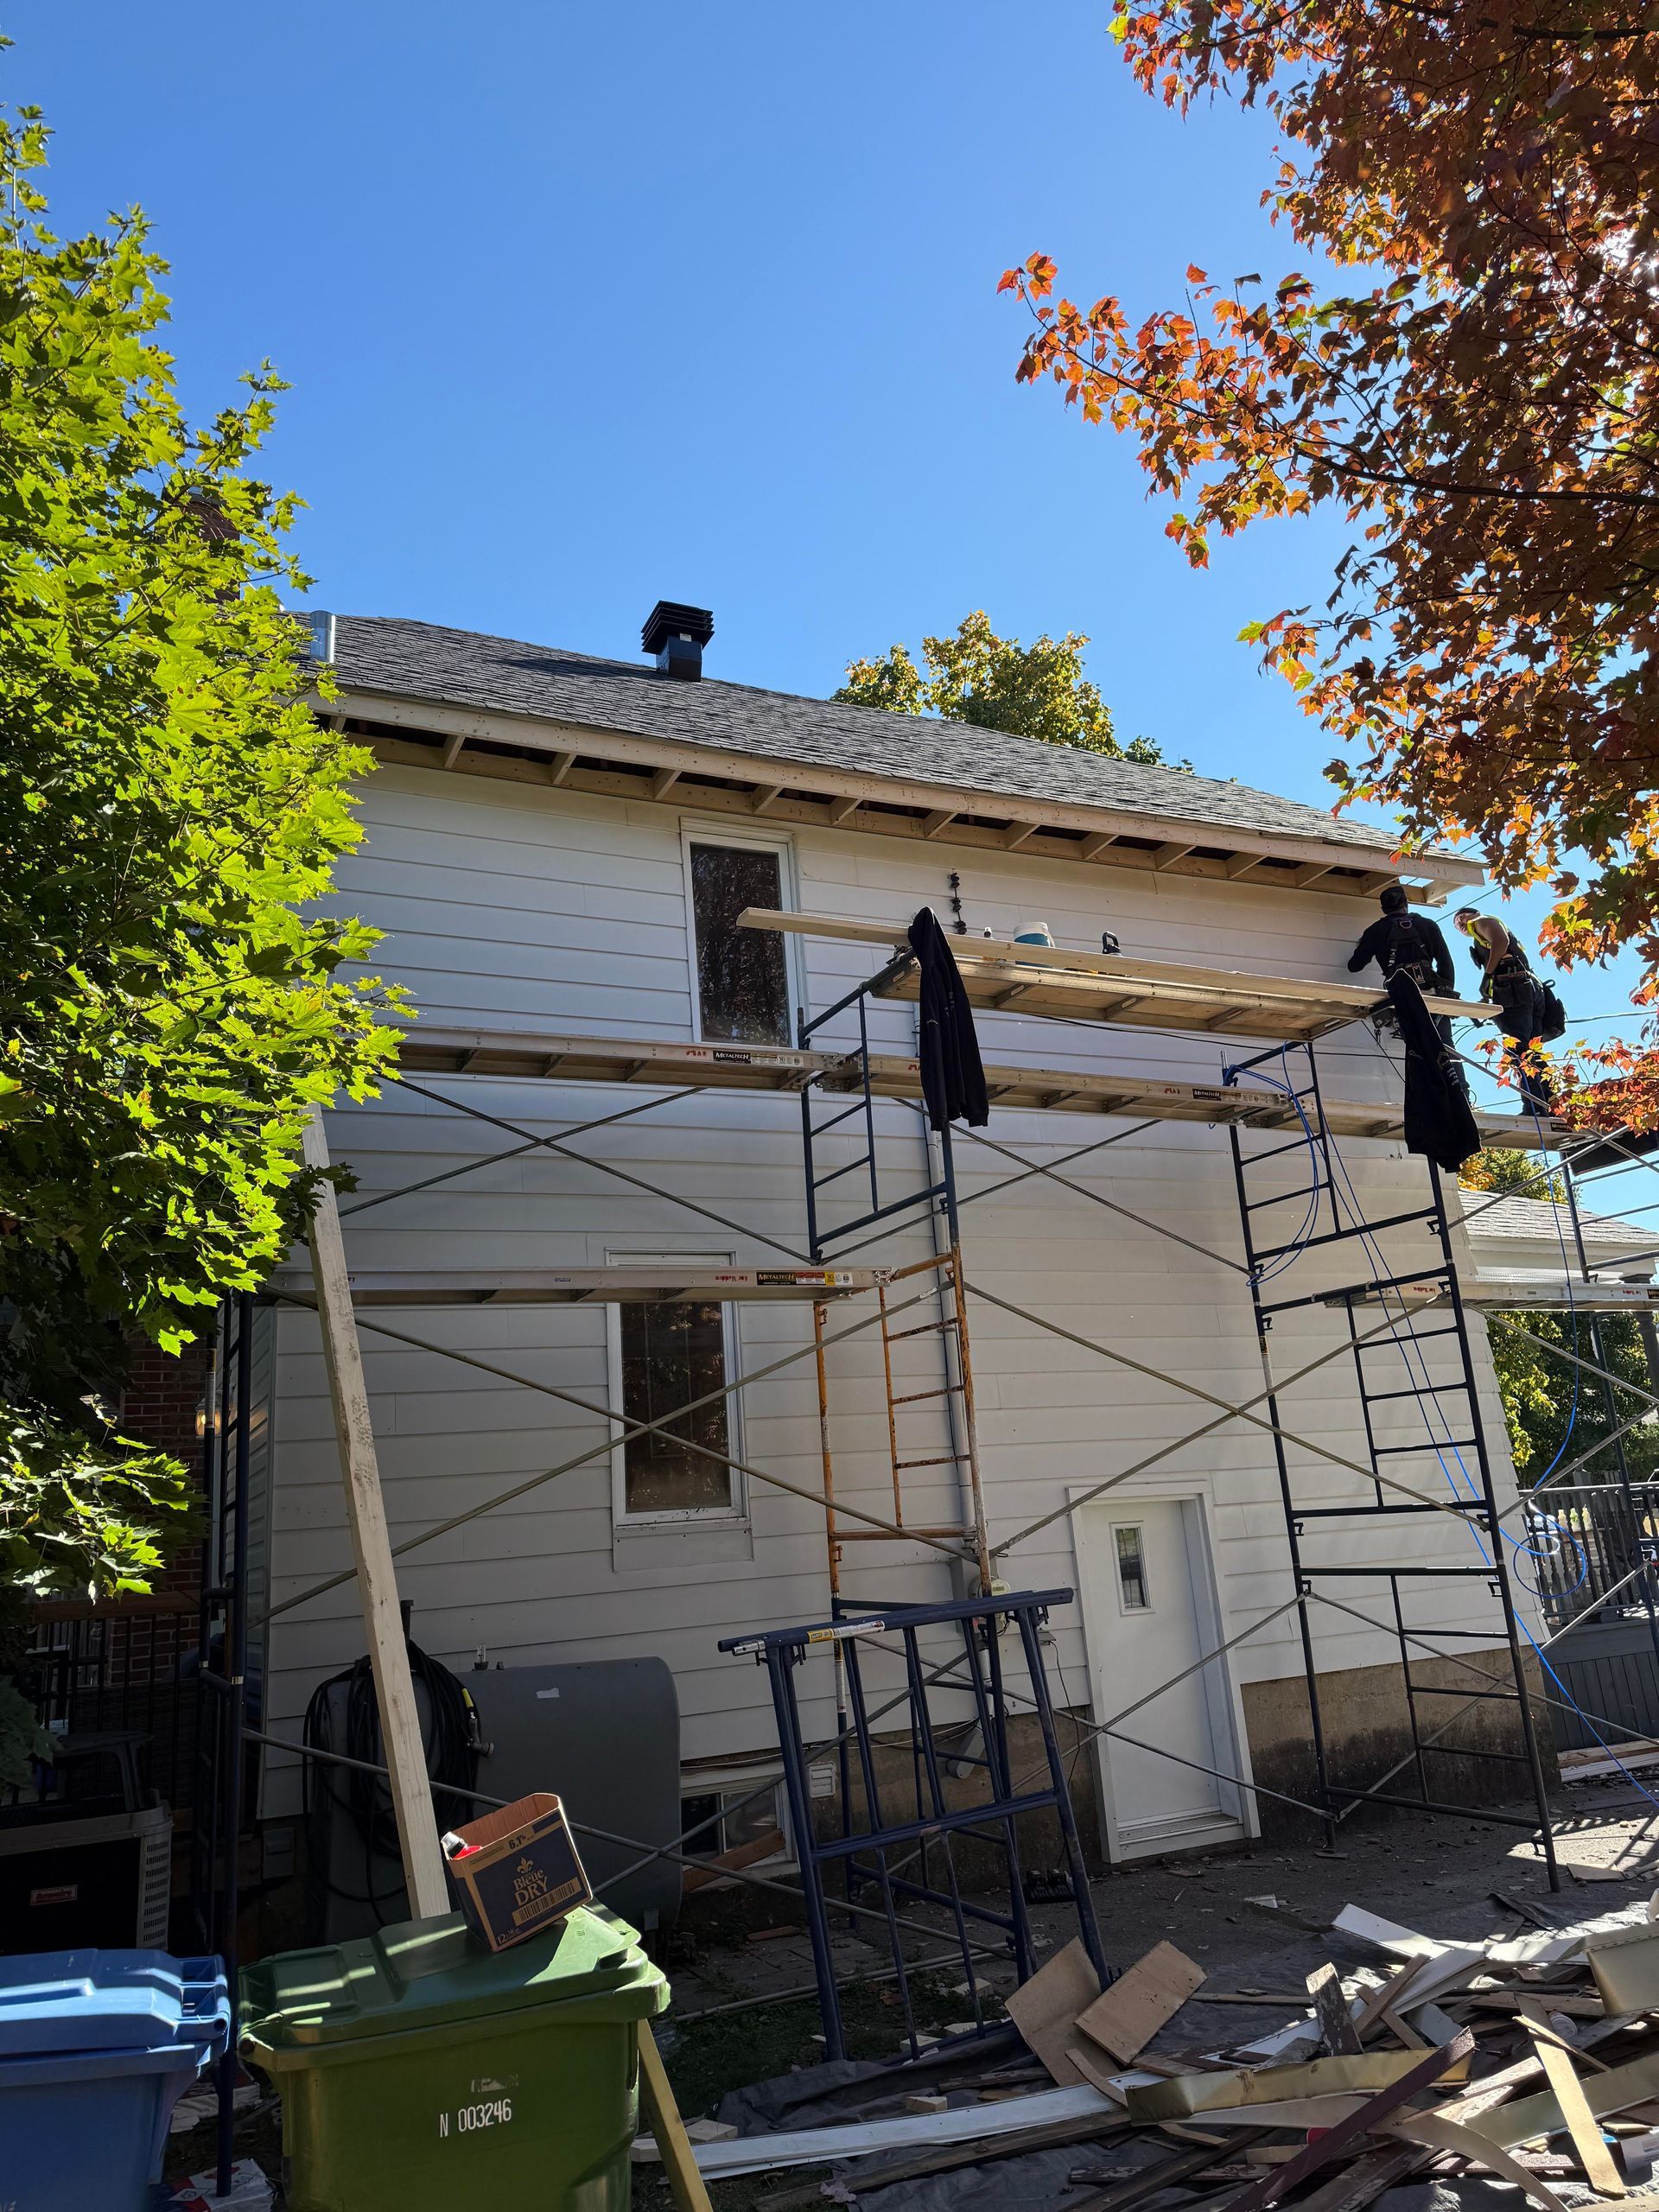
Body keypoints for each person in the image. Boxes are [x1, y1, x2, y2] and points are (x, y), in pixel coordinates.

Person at [1348, 885, 1465, 1090]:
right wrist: (1445, 993)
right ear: (1406, 904)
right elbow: (1446, 963)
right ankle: (1459, 1090)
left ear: (1384, 909)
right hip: (1432, 995)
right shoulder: (1428, 926)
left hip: (1402, 997)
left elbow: (1354, 966)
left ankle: (1429, 1093)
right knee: (1445, 1044)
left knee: (1417, 1046)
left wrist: (1365, 945)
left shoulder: (1376, 931)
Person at [1452, 906, 1554, 1114]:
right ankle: (1550, 1103)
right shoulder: (1481, 935)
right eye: (1457, 925)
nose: (1461, 924)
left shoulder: (1480, 922)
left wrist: (1488, 975)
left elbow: (1501, 942)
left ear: (1474, 913)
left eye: (1462, 917)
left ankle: (1534, 1106)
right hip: (1527, 989)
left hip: (1515, 989)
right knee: (1532, 1049)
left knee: (1516, 1049)